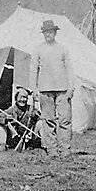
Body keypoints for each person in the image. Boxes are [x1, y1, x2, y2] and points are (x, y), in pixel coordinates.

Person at [30, 18, 74, 156]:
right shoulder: (38, 49)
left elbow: (70, 70)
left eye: (50, 31)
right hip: (45, 90)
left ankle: (65, 149)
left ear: (55, 32)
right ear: (43, 34)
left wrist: (71, 88)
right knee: (48, 121)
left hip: (62, 90)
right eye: (45, 32)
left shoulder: (63, 49)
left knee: (65, 120)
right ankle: (52, 150)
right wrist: (34, 90)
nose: (48, 34)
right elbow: (33, 70)